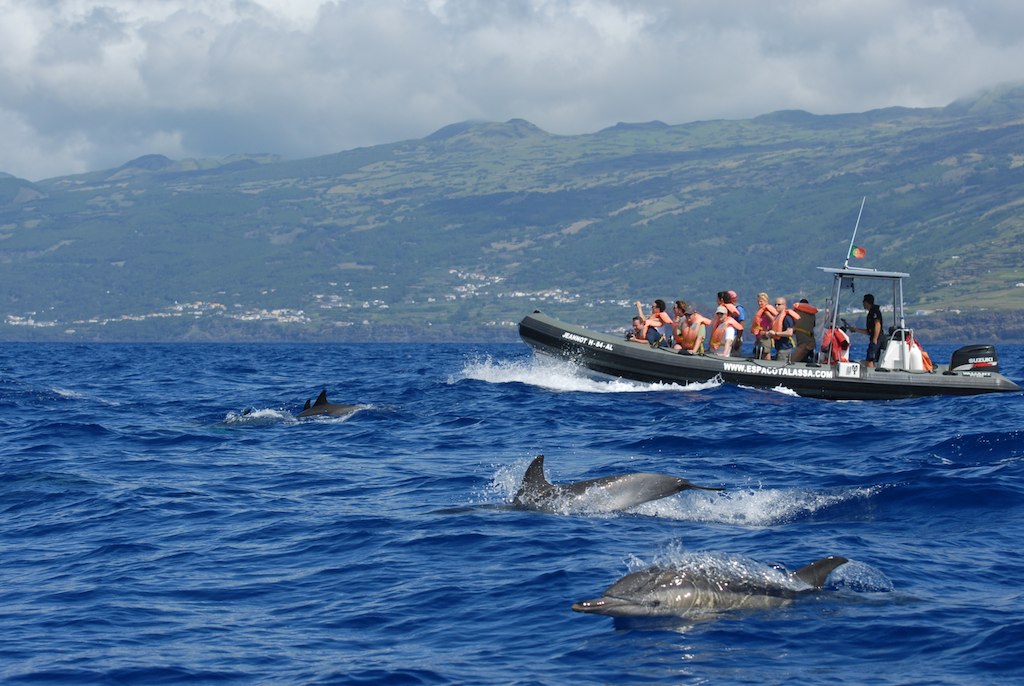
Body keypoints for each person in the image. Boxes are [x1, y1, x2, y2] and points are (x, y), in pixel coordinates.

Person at [848, 293, 883, 368]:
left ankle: (871, 375)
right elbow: (868, 331)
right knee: (871, 359)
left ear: (866, 302)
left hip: (877, 339)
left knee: (870, 359)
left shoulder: (874, 311)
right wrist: (855, 330)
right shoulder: (871, 312)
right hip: (874, 337)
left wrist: (875, 338)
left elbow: (878, 324)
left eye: (864, 302)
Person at [767, 297, 797, 363]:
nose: (776, 306)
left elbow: (789, 333)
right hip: (779, 348)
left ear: (784, 305)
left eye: (779, 304)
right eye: (775, 304)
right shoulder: (778, 316)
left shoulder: (787, 318)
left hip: (785, 349)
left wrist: (776, 334)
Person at [750, 292, 777, 360]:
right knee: (760, 352)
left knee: (765, 352)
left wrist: (767, 331)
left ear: (766, 301)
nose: (759, 303)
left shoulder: (766, 311)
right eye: (758, 301)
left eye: (761, 301)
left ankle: (768, 366)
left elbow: (773, 321)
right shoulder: (761, 310)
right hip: (759, 336)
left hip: (764, 336)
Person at [790, 298, 818, 363]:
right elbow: (813, 325)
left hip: (804, 343)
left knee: (792, 361)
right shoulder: (812, 314)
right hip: (810, 341)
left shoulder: (796, 312)